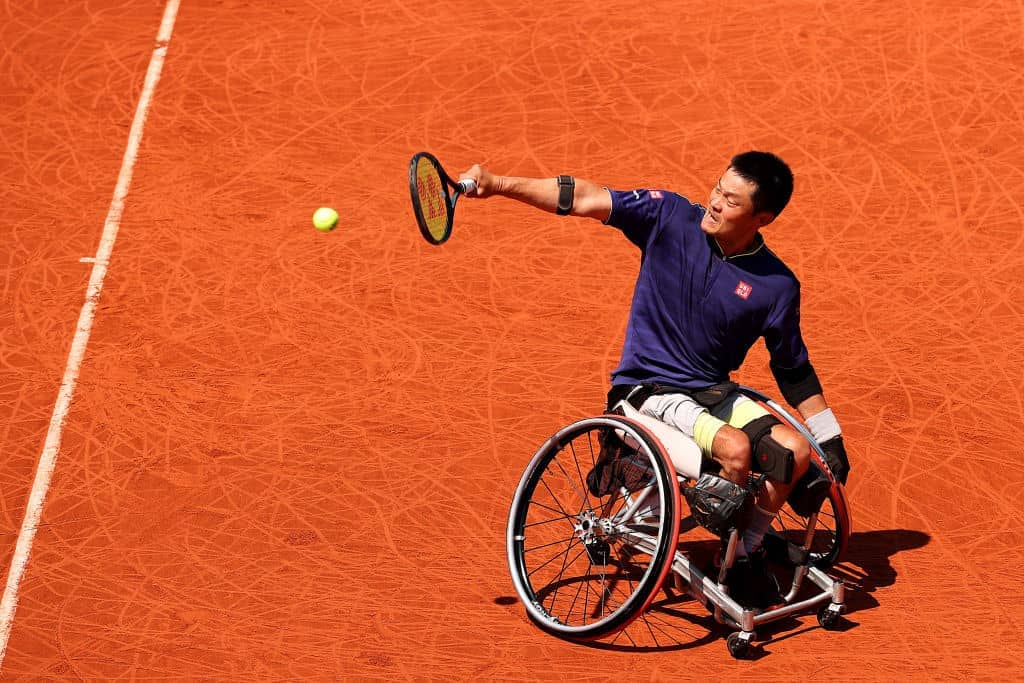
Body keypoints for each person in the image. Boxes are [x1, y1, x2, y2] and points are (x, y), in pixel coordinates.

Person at [459, 152, 849, 608]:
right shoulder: (668, 216)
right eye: (717, 188)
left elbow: (792, 367)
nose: (715, 203)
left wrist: (830, 438)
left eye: (731, 200)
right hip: (648, 388)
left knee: (795, 452)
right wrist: (498, 182)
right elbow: (583, 196)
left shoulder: (776, 285)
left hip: (711, 391)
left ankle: (743, 553)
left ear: (762, 218)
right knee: (736, 450)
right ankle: (717, 527)